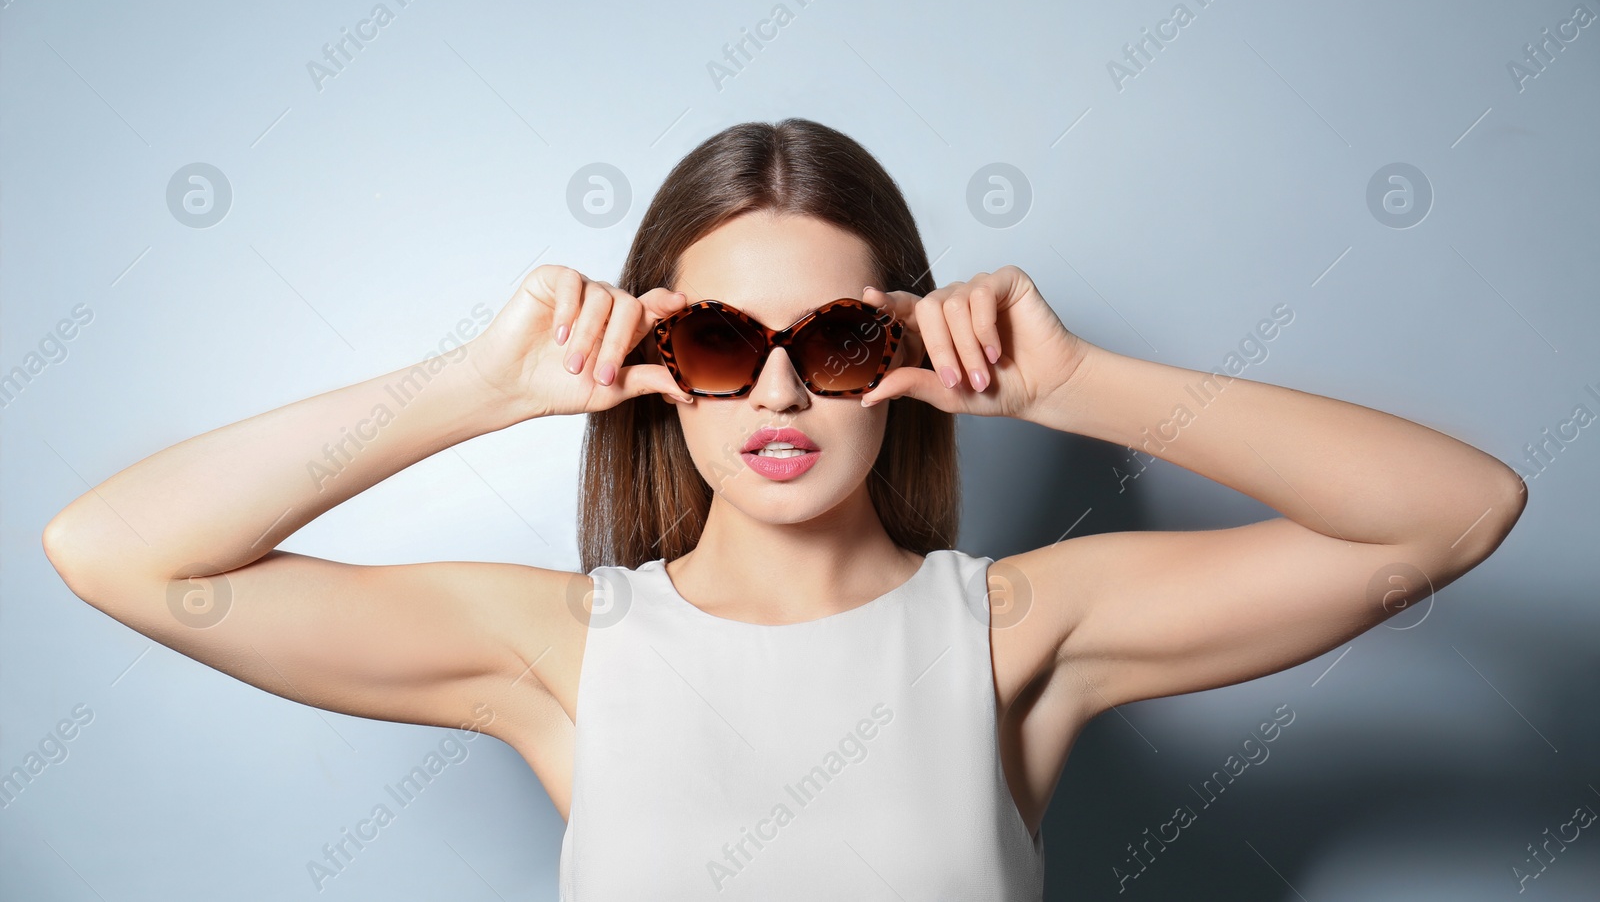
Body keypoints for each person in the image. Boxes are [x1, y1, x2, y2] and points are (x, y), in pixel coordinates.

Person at [41, 118, 1527, 899]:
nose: (775, 398)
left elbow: (1449, 516)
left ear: (901, 354)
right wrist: (482, 387)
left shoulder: (1020, 630)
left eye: (833, 341)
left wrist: (1067, 381)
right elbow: (115, 553)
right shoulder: (563, 651)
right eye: (709, 343)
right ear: (650, 367)